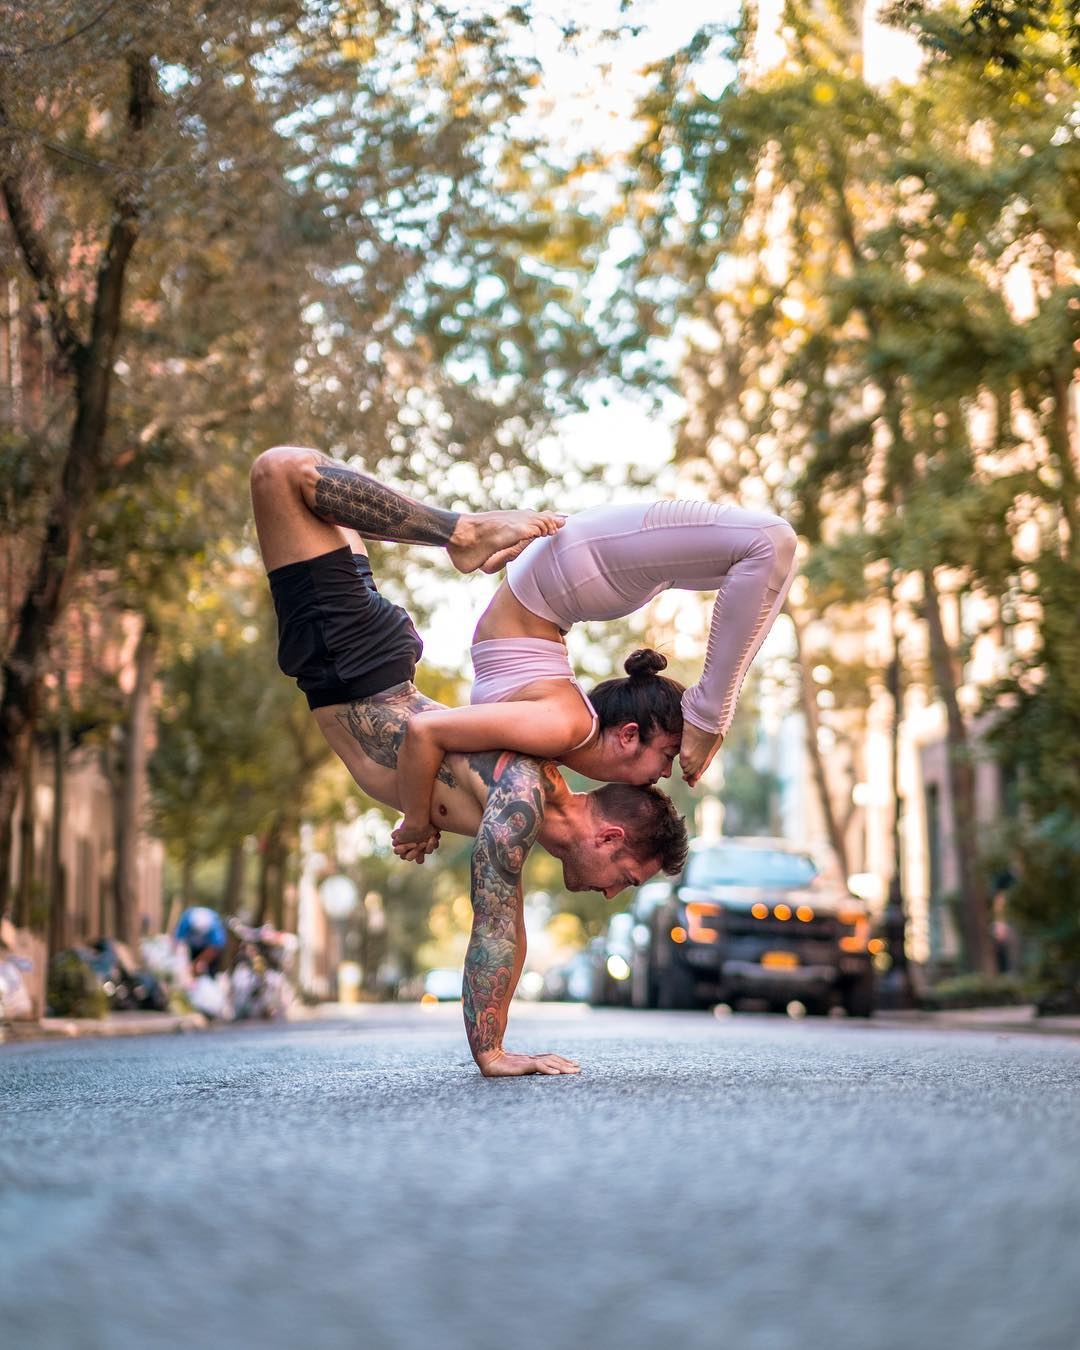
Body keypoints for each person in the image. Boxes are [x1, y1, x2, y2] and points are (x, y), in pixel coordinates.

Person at [250, 445, 689, 1077]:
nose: (614, 892)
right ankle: (462, 532)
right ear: (609, 834)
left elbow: (503, 921)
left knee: (310, 477)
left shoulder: (525, 811)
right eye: (627, 875)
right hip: (351, 668)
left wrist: (498, 1048)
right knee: (284, 472)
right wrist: (413, 818)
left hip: (360, 663)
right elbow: (426, 734)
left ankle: (456, 534)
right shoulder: (521, 797)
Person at [392, 499, 798, 861]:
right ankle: (482, 532)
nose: (667, 772)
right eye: (670, 756)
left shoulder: (561, 728)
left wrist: (415, 822)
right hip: (569, 571)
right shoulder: (563, 727)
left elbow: (425, 730)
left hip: (570, 570)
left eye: (670, 753)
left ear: (628, 734)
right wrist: (419, 822)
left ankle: (708, 712)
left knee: (772, 543)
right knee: (770, 549)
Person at [175, 905, 227, 977]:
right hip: (191, 948)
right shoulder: (186, 919)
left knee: (205, 970)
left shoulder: (215, 926)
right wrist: (183, 963)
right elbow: (179, 941)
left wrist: (195, 964)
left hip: (207, 949)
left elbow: (214, 949)